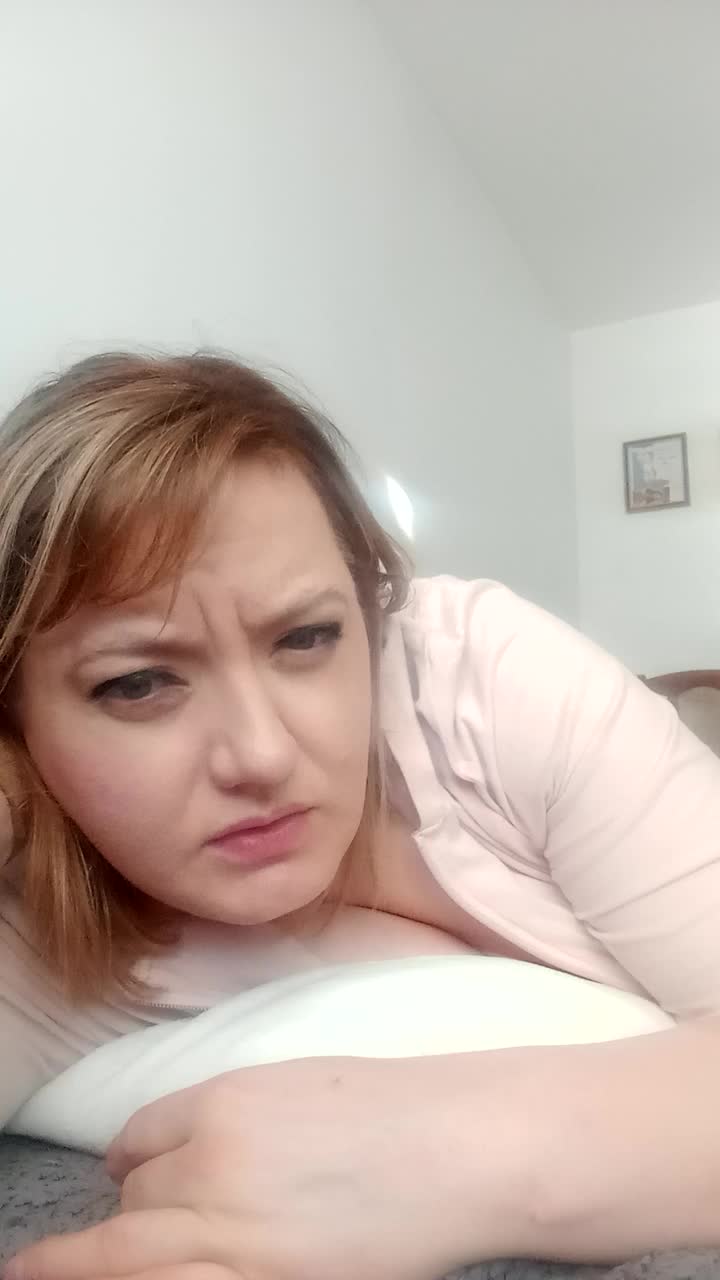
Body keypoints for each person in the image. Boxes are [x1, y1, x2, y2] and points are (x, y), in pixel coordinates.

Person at [2, 352, 720, 1280]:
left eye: (308, 636)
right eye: (137, 683)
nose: (261, 754)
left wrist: (456, 1156)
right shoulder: (35, 925)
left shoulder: (484, 684)